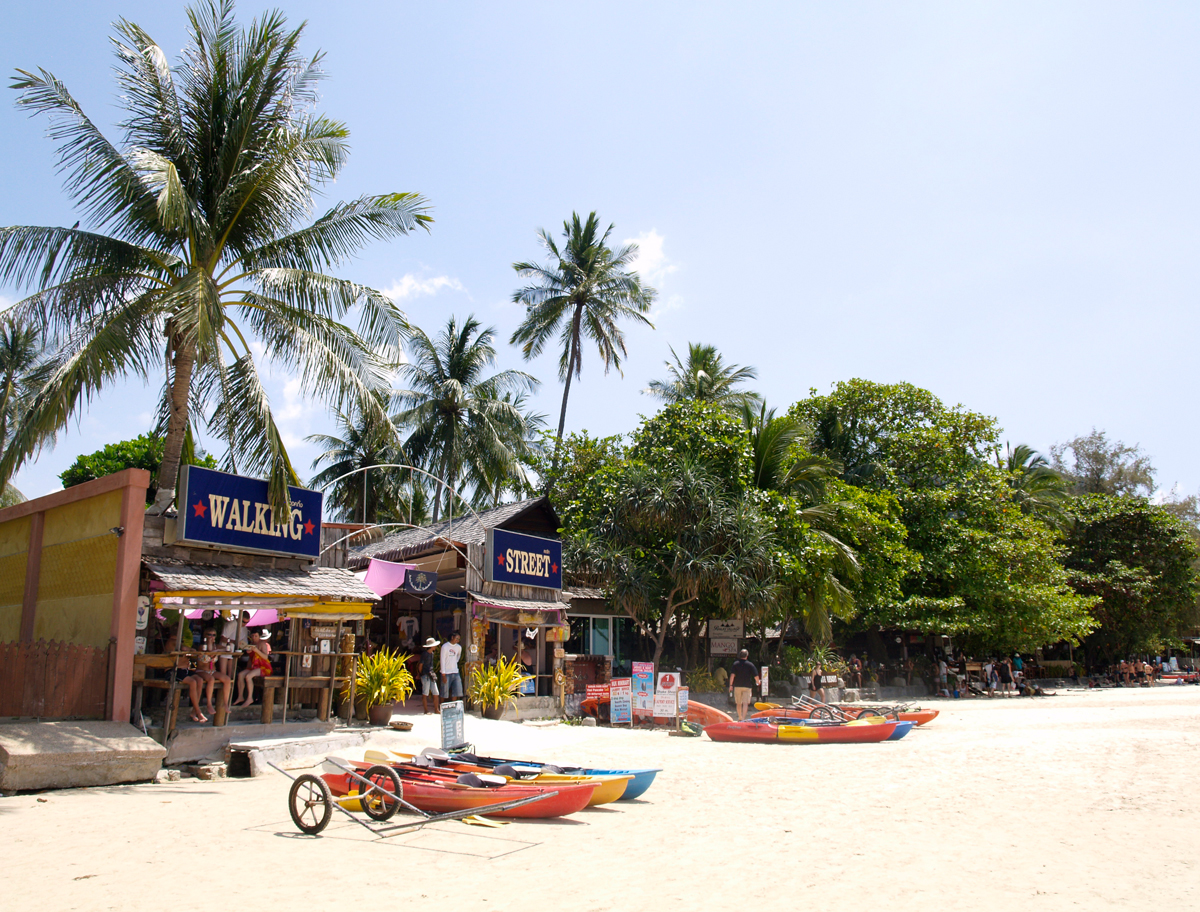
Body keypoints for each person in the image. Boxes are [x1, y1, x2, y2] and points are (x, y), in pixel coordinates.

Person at [194, 627, 231, 718]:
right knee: (211, 679)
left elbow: (227, 649)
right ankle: (209, 704)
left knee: (227, 679)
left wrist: (227, 645)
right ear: (205, 636)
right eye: (209, 635)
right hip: (202, 671)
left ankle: (226, 703)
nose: (211, 637)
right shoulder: (201, 646)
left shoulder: (217, 646)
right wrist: (209, 643)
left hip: (212, 670)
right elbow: (209, 652)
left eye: (213, 635)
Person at [234, 629, 272, 708]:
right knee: (240, 675)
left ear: (259, 636)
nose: (254, 638)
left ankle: (250, 698)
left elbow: (265, 657)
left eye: (256, 636)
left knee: (249, 676)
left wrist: (256, 650)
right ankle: (240, 696)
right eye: (253, 636)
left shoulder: (262, 644)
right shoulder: (251, 644)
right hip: (253, 666)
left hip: (263, 667)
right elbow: (251, 659)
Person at [727, 649, 761, 721]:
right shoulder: (750, 665)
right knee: (745, 703)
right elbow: (756, 676)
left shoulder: (735, 664)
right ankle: (743, 718)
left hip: (737, 686)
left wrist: (730, 685)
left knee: (738, 703)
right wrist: (758, 682)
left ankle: (739, 717)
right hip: (747, 686)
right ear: (747, 656)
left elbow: (732, 675)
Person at [419, 636, 441, 713]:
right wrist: (421, 674)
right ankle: (426, 710)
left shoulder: (431, 654)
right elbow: (421, 665)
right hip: (426, 675)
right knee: (425, 693)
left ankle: (436, 709)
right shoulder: (425, 654)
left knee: (436, 693)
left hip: (431, 674)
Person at [440, 632, 464, 701]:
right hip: (446, 672)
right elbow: (442, 660)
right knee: (444, 691)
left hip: (455, 672)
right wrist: (443, 674)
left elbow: (458, 657)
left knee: (456, 691)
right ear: (452, 637)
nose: (457, 640)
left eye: (459, 639)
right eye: (456, 638)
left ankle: (454, 706)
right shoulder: (445, 647)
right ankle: (441, 705)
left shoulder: (459, 647)